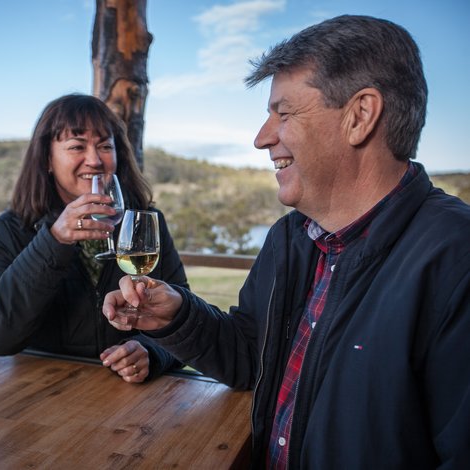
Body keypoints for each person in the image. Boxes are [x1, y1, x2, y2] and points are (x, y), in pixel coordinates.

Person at [103, 15, 470, 468]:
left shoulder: (457, 260)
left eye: (284, 112)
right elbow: (248, 356)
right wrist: (177, 316)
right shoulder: (291, 237)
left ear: (360, 116)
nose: (262, 138)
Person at [0, 93, 189, 383]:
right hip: (45, 392)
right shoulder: (9, 230)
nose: (95, 160)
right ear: (47, 159)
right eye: (77, 146)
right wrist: (54, 241)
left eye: (105, 146)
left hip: (132, 398)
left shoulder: (145, 222)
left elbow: (184, 320)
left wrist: (151, 352)